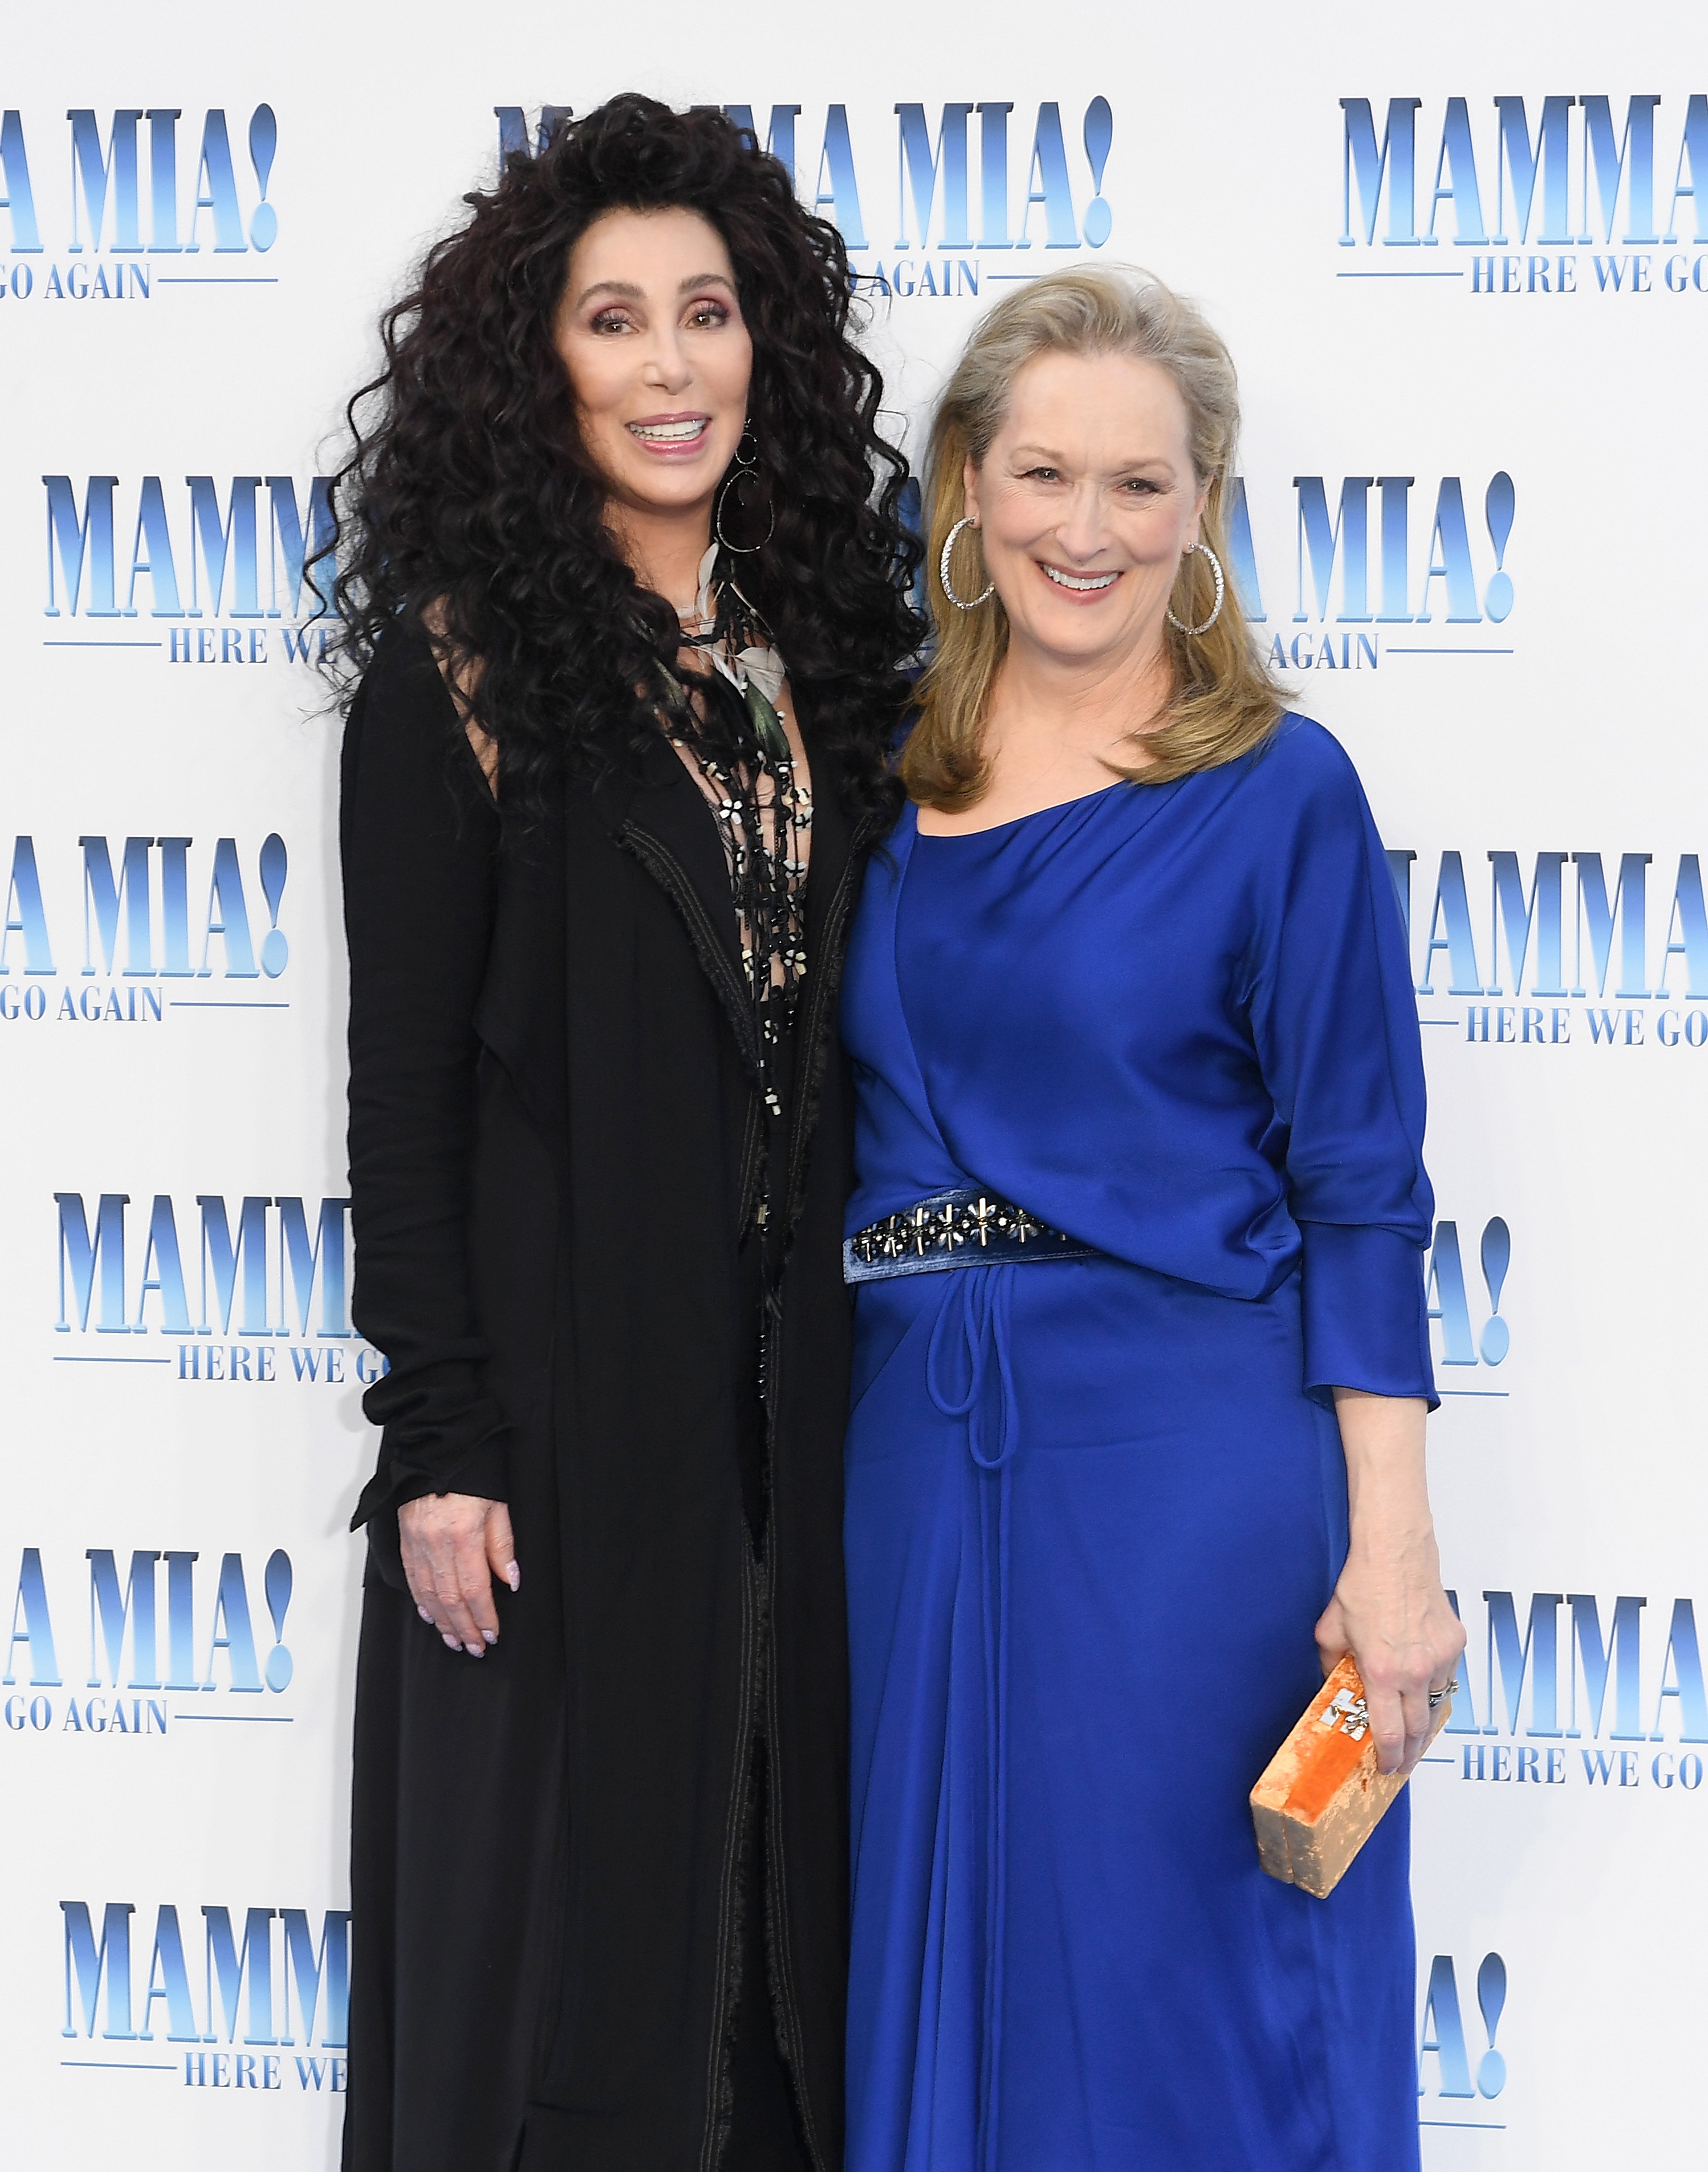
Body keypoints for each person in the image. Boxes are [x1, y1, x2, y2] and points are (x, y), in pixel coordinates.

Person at [330, 96, 918, 2172]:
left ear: (768, 340)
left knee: (768, 1926)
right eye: (613, 321)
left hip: (800, 1402)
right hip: (561, 1415)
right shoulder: (464, 673)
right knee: (563, 1951)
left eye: (709, 312)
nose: (672, 368)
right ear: (538, 366)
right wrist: (444, 1437)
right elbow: (399, 1090)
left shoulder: (825, 663)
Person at [838, 266, 1467, 2172]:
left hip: (1187, 1477)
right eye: (1042, 473)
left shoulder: (1278, 791)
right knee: (951, 1981)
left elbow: (1363, 1187)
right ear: (965, 483)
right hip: (922, 1475)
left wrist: (1397, 1557)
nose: (1083, 530)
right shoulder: (877, 787)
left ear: (1203, 506)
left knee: (1189, 1994)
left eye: (1138, 484)